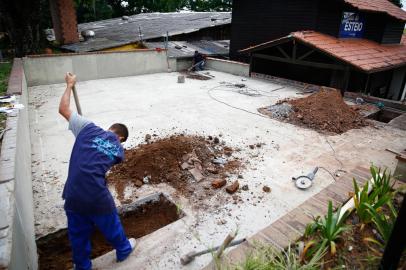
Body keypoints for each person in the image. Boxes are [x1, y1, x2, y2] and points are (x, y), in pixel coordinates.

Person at [59, 72, 135, 270]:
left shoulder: (87, 128)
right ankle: (124, 250)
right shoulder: (119, 151)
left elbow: (63, 109)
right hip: (96, 195)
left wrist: (69, 84)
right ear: (122, 139)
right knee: (111, 225)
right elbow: (101, 162)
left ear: (110, 128)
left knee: (78, 235)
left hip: (73, 193)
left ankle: (82, 266)